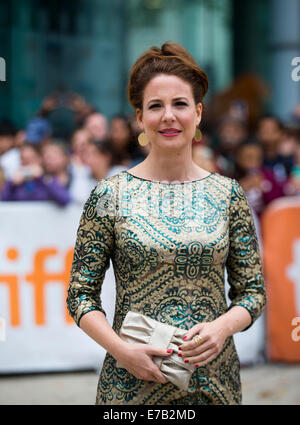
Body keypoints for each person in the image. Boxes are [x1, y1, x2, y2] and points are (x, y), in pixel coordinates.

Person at [67, 42, 266, 405]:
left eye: (180, 104)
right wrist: (122, 351)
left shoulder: (228, 194)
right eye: (155, 106)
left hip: (214, 384)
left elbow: (252, 292)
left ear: (199, 112)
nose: (168, 116)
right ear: (140, 118)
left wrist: (222, 328)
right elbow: (80, 296)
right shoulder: (110, 195)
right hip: (129, 386)